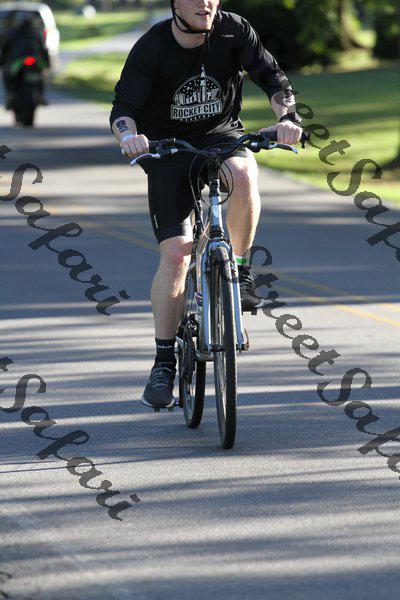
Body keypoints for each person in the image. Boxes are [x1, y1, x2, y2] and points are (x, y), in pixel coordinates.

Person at [110, 0, 303, 410]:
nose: (205, 2)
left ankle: (241, 274)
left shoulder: (234, 31)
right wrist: (129, 137)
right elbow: (124, 109)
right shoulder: (153, 46)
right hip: (167, 149)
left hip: (222, 138)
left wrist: (289, 118)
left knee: (245, 175)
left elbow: (272, 78)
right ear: (175, 3)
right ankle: (164, 362)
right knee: (177, 256)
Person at [0, 14, 50, 109]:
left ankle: (11, 95)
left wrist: (2, 62)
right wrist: (47, 64)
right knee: (43, 76)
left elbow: (5, 50)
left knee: (7, 75)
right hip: (34, 61)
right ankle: (40, 95)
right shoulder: (36, 34)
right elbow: (44, 50)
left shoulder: (11, 33)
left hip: (19, 61)